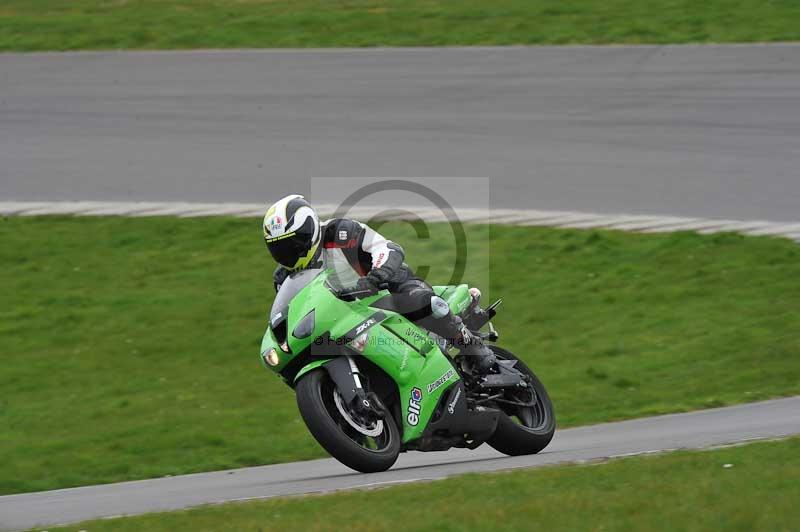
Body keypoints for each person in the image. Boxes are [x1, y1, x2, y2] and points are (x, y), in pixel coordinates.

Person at [263, 194, 496, 374]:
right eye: (279, 248)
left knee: (424, 302)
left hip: (387, 290)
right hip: (345, 318)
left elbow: (387, 248)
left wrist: (377, 276)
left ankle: (474, 348)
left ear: (310, 230)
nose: (288, 253)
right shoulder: (284, 279)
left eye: (293, 243)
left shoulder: (340, 232)